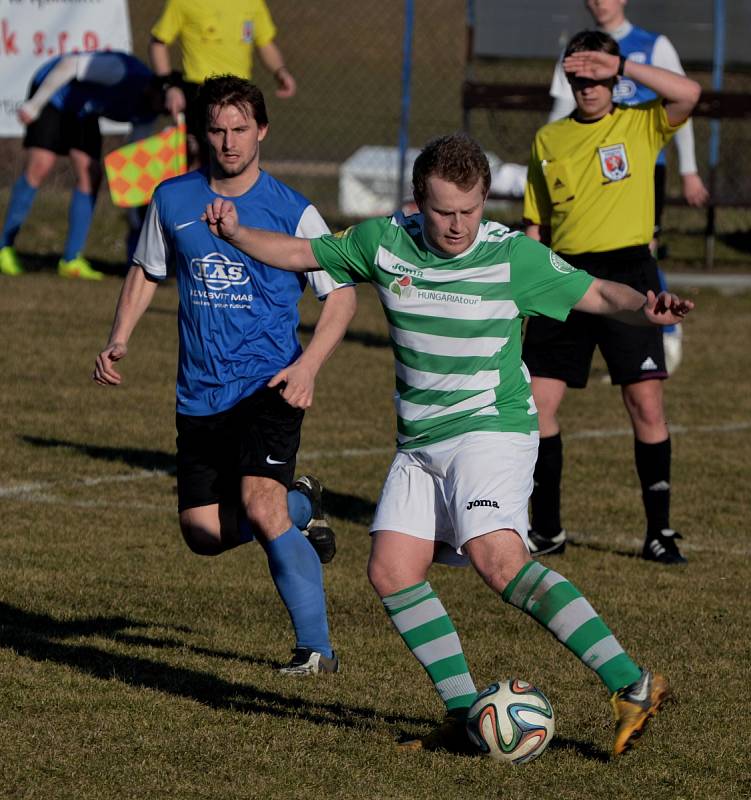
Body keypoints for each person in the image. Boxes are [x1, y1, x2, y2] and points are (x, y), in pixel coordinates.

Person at [200, 132, 695, 755]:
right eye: (442, 211)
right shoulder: (384, 242)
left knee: (498, 558)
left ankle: (633, 683)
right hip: (419, 443)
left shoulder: (512, 256)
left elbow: (596, 292)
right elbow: (301, 253)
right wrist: (238, 235)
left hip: (491, 430)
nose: (457, 225)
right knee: (390, 571)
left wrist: (643, 307)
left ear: (485, 200)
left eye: (469, 210)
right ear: (418, 200)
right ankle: (466, 717)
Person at [93, 75, 356, 675]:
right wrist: (119, 338)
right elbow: (145, 269)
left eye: (240, 129)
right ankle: (302, 505)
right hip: (199, 392)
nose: (229, 141)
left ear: (262, 130)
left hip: (270, 384)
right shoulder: (173, 198)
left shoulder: (293, 210)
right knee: (203, 532)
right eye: (217, 129)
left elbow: (340, 298)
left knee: (259, 506)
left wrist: (307, 366)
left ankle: (315, 649)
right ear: (202, 131)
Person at [522, 30, 701, 564]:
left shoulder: (640, 123)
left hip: (629, 274)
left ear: (613, 77)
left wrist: (619, 63)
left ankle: (659, 532)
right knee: (536, 405)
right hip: (564, 277)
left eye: (596, 76)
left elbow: (687, 94)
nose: (587, 86)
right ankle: (547, 530)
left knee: (645, 402)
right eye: (577, 77)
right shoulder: (548, 140)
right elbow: (536, 224)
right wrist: (528, 292)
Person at [548, 0, 708, 373]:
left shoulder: (654, 45)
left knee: (640, 252)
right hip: (585, 174)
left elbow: (682, 103)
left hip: (639, 170)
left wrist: (689, 168)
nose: (597, 3)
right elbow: (558, 113)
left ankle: (660, 333)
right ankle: (607, 339)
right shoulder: (575, 50)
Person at [0, 51, 165, 280]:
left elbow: (133, 163)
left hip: (83, 109)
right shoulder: (122, 71)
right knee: (41, 165)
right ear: (154, 89)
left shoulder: (150, 112)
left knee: (91, 174)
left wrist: (133, 212)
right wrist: (35, 105)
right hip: (54, 93)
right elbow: (69, 65)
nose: (162, 108)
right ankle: (4, 247)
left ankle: (71, 260)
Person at [149, 0, 296, 167]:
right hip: (201, 92)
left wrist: (280, 71)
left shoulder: (253, 3)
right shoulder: (183, 2)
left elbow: (265, 42)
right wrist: (169, 87)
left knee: (238, 157)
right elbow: (158, 43)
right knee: (201, 158)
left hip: (239, 93)